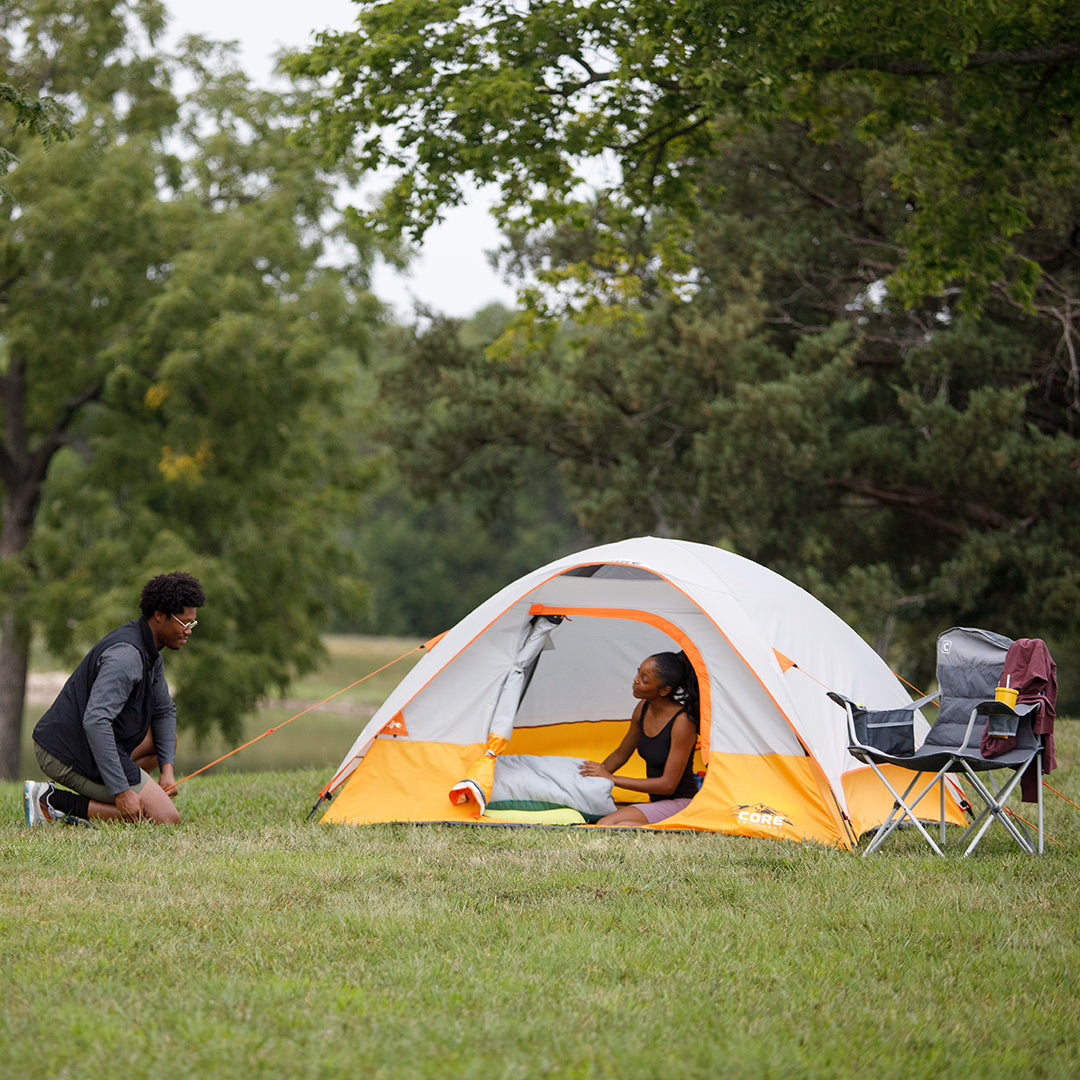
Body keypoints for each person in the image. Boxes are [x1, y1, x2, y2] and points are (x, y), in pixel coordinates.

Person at [23, 571, 206, 827]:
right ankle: (51, 801)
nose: (188, 631)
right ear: (159, 615)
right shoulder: (126, 657)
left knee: (164, 743)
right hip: (65, 751)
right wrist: (121, 791)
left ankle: (111, 798)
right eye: (183, 622)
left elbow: (164, 711)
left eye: (192, 624)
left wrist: (167, 771)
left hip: (89, 743)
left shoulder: (151, 652)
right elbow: (96, 721)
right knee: (165, 818)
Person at [579, 650, 701, 826]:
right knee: (591, 814)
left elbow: (668, 785)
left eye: (644, 679)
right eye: (638, 672)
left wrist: (612, 779)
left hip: (681, 803)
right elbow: (621, 754)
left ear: (664, 690)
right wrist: (593, 778)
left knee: (606, 825)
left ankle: (673, 831)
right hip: (658, 804)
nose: (636, 680)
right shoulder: (643, 707)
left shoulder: (682, 722)